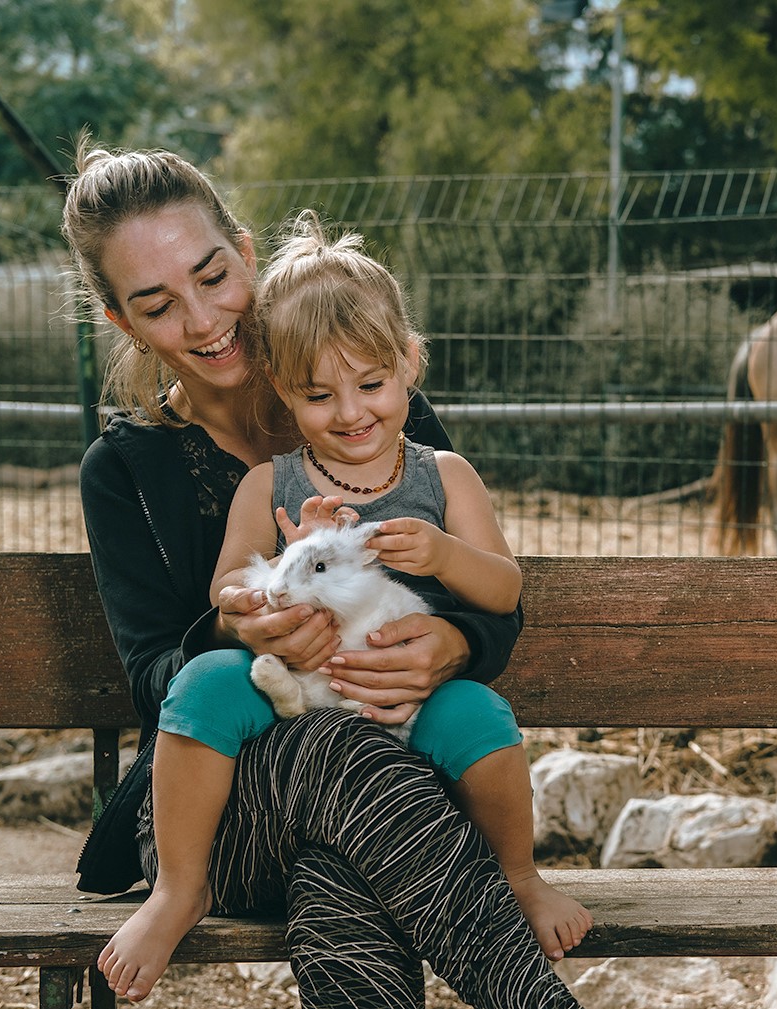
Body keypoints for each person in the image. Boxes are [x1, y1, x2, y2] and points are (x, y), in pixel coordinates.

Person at [64, 140, 582, 1008]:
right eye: (157, 304)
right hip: (227, 814)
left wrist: (448, 645)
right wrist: (239, 625)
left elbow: (481, 592)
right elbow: (158, 677)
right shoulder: (125, 470)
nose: (202, 320)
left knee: (346, 880)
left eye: (213, 276)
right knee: (345, 754)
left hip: (382, 797)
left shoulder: (373, 404)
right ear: (122, 321)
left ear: (246, 251)